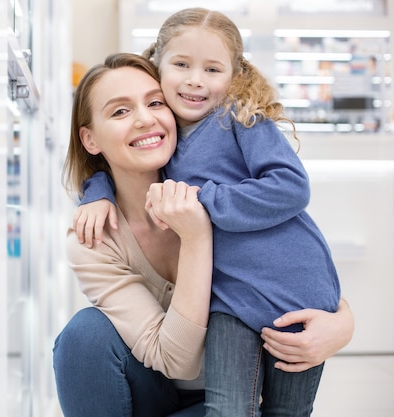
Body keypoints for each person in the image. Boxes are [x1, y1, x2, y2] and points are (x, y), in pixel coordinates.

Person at [74, 8, 349, 417]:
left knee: (288, 411)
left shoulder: (240, 120)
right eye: (181, 64)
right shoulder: (164, 143)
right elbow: (120, 166)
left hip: (291, 293)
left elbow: (292, 186)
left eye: (212, 69)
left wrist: (344, 323)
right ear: (158, 67)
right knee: (229, 410)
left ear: (234, 76)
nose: (195, 79)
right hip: (229, 303)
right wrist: (95, 193)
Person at [54, 52, 214, 417]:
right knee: (84, 334)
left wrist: (341, 320)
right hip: (153, 388)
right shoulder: (92, 237)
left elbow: (295, 266)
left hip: (236, 393)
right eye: (120, 111)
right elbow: (177, 362)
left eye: (155, 102)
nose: (145, 119)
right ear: (90, 139)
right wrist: (196, 238)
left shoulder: (226, 195)